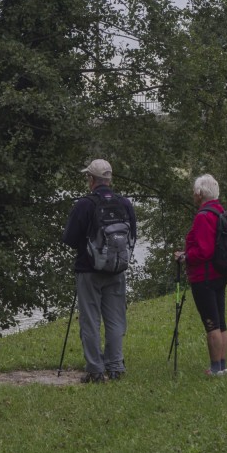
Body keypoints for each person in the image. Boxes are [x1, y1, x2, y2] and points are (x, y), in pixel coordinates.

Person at [61, 159, 137, 383]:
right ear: (109, 179)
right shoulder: (124, 203)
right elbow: (133, 235)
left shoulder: (85, 204)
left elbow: (70, 239)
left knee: (90, 320)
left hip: (88, 270)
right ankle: (115, 367)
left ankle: (95, 370)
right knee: (115, 319)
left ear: (92, 180)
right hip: (116, 270)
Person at [174, 174, 227, 377]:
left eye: (194, 191)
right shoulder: (220, 211)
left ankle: (215, 368)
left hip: (204, 277)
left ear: (199, 193)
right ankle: (222, 365)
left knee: (211, 323)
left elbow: (204, 251)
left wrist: (185, 256)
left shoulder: (203, 216)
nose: (193, 194)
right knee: (221, 322)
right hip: (219, 274)